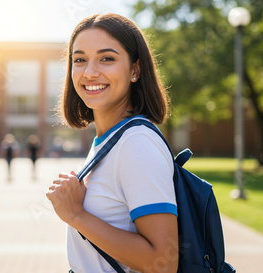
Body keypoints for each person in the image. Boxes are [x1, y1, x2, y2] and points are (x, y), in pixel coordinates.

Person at [46, 14, 178, 273]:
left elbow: (164, 263)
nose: (90, 72)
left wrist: (76, 215)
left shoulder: (137, 143)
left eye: (107, 58)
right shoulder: (109, 141)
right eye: (80, 60)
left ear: (135, 70)